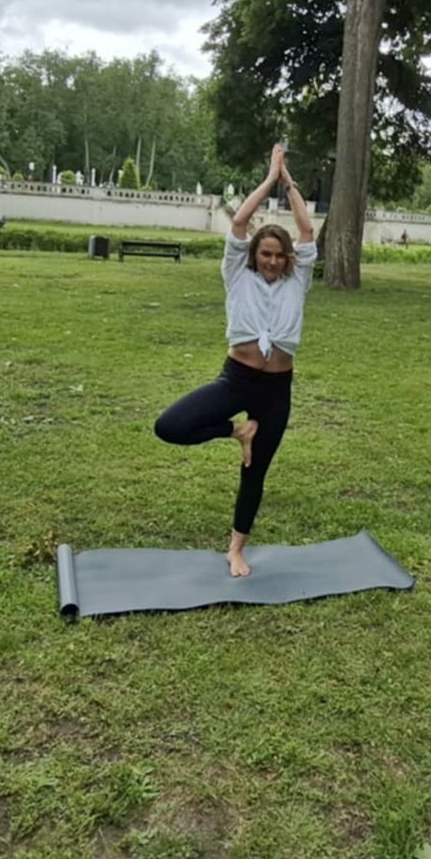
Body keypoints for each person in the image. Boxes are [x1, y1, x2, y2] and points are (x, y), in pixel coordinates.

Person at [153, 143, 316, 578]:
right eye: (266, 254)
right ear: (253, 255)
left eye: (279, 257)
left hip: (277, 389)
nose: (273, 261)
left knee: (255, 472)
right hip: (237, 380)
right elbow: (241, 221)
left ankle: (236, 549)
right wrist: (269, 179)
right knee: (169, 426)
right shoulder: (236, 273)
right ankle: (236, 431)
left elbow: (306, 233)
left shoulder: (296, 280)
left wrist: (290, 184)